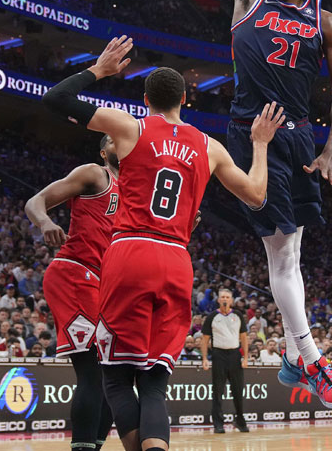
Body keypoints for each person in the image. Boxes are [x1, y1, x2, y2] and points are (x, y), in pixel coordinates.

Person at [41, 36, 282, 451]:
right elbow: (258, 195)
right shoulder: (210, 147)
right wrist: (260, 144)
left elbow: (56, 98)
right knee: (154, 382)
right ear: (185, 98)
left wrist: (99, 70)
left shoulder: (130, 127)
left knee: (114, 376)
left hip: (130, 251)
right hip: (176, 259)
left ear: (145, 98)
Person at [217, 0, 332, 411]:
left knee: (288, 258)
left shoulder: (326, 22)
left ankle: (295, 361)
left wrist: (331, 150)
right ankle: (311, 356)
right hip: (255, 134)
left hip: (298, 137)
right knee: (279, 252)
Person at [26, 133, 120, 451]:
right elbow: (34, 201)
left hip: (105, 284)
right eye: (116, 139)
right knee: (93, 371)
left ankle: (93, 443)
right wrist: (44, 223)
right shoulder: (95, 173)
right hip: (75, 273)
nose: (125, 142)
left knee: (116, 373)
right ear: (103, 152)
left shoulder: (137, 190)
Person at [200, 289, 249, 433]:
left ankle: (240, 421)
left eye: (227, 297)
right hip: (218, 354)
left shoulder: (238, 315)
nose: (225, 299)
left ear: (232, 300)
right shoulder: (212, 317)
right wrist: (204, 358)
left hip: (234, 354)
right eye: (222, 297)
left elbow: (244, 338)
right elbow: (204, 339)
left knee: (238, 390)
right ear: (218, 300)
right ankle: (218, 423)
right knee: (218, 391)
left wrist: (245, 357)